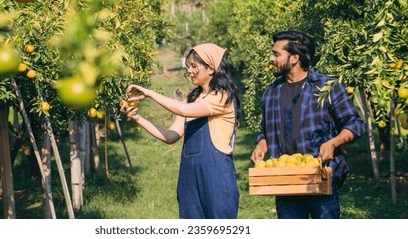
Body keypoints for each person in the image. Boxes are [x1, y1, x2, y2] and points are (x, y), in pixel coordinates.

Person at [250, 30, 365, 219]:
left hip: (320, 179)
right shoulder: (271, 93)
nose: (271, 58)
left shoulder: (327, 87)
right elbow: (265, 132)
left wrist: (332, 143)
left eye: (276, 54)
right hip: (285, 182)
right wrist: (261, 145)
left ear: (294, 58)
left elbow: (355, 124)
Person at [121, 43, 241, 219]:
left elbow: (184, 111)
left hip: (216, 177)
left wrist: (150, 93)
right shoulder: (192, 99)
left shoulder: (222, 97)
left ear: (211, 69)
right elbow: (170, 136)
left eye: (194, 66)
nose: (190, 71)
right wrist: (138, 118)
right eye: (188, 66)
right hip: (189, 178)